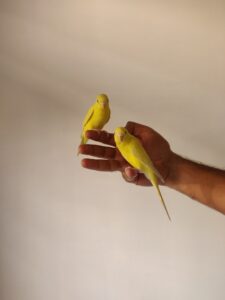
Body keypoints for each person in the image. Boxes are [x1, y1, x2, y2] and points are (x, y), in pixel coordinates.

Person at [78, 121, 225, 215]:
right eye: (119, 136)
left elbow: (146, 162)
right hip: (145, 168)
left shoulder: (133, 143)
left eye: (124, 134)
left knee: (155, 189)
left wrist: (164, 171)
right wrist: (170, 171)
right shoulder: (123, 146)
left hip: (147, 167)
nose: (121, 137)